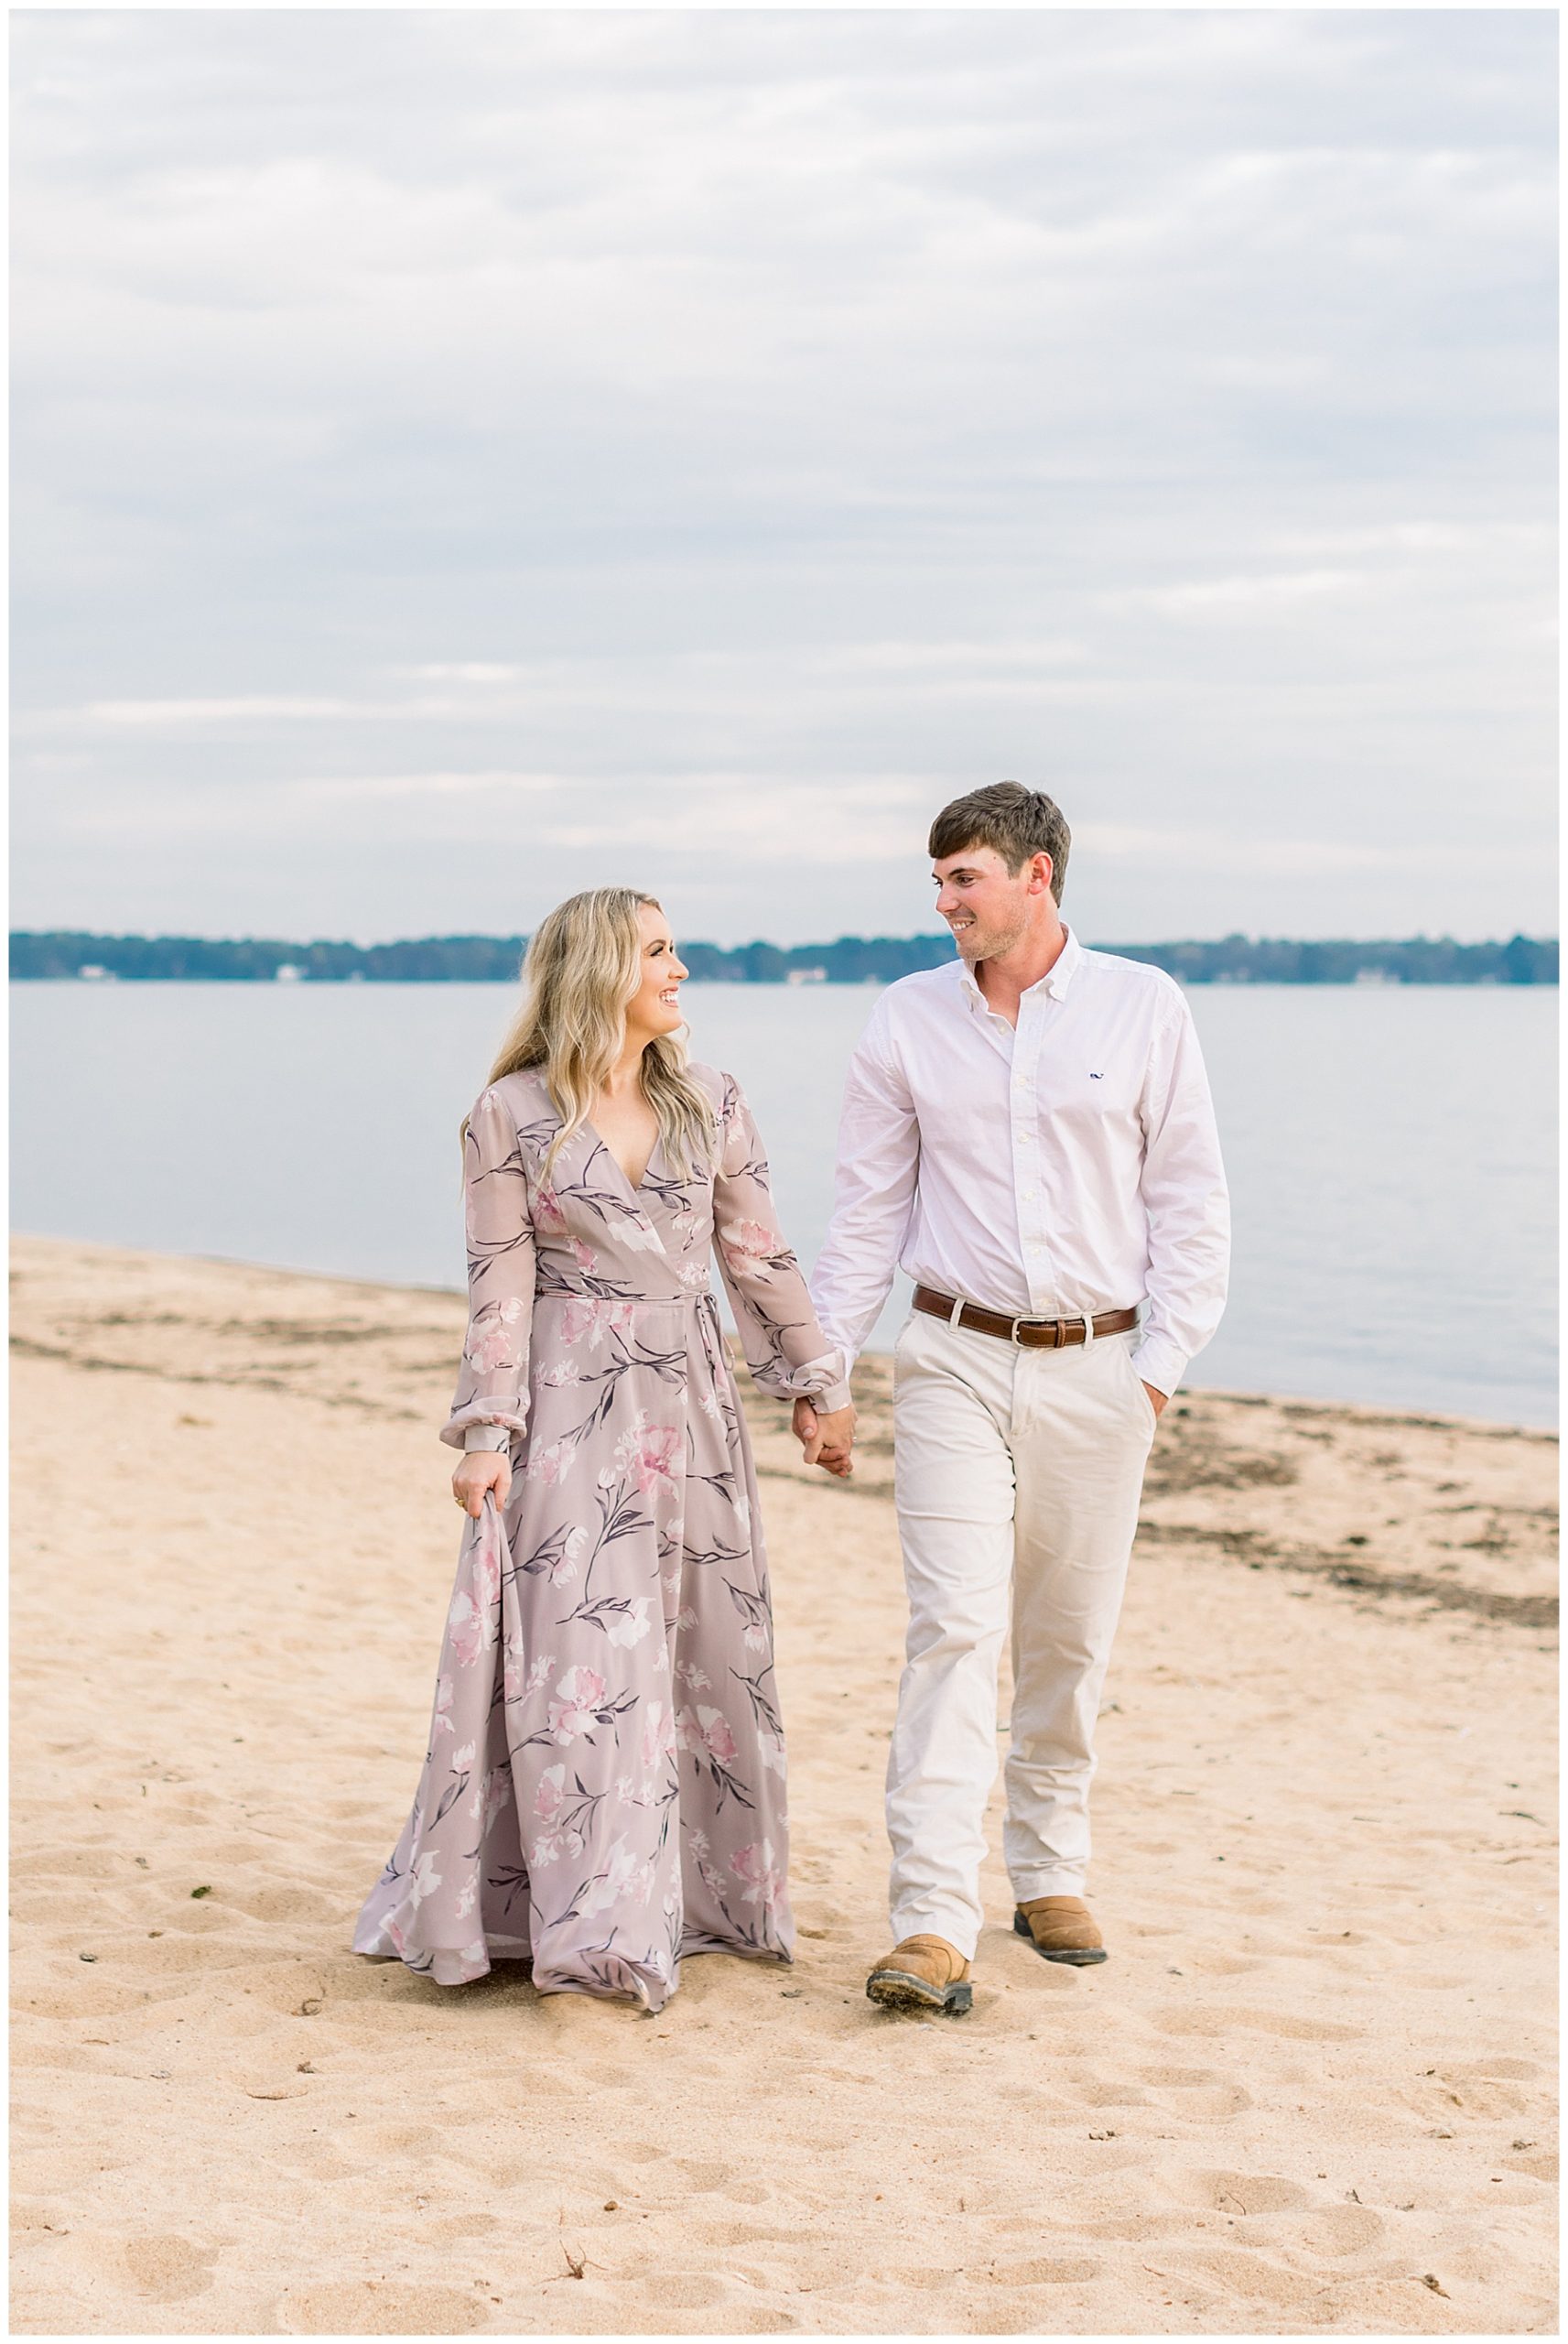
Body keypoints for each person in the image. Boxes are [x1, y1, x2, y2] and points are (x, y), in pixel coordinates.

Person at [353, 888, 855, 2012]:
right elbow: (501, 1284)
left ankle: (689, 1901)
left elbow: (759, 1258)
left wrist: (816, 1385)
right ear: (599, 972)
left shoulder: (712, 1099)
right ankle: (590, 1928)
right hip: (571, 1413)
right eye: (660, 951)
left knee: (696, 1654)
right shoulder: (510, 1113)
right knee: (583, 1672)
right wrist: (487, 1431)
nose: (682, 968)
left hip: (692, 1409)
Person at [803, 784, 1229, 2014]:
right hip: (949, 1360)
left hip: (1103, 1365)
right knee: (953, 1630)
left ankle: (1047, 1869)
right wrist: (824, 1369)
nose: (944, 904)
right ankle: (933, 1921)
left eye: (963, 881)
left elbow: (1189, 1200)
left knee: (1066, 1633)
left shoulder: (1142, 1006)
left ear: (1035, 877)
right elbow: (869, 1214)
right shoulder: (903, 1022)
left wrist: (1156, 1370)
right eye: (937, 883)